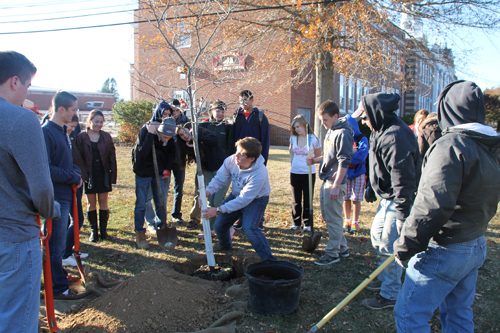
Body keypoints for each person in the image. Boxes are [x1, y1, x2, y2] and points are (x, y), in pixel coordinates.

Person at [393, 80, 500, 332]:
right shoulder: (489, 146)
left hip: (447, 249)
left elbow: (432, 204)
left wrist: (406, 245)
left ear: (447, 108)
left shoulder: (451, 145)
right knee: (458, 312)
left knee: (410, 315)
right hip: (474, 244)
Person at [0, 50, 59, 332]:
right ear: (14, 82)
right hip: (13, 239)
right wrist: (51, 210)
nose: (26, 92)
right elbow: (42, 189)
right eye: (27, 85)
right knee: (16, 321)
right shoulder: (20, 120)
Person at [355, 93, 420, 310]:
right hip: (387, 197)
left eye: (365, 118)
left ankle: (390, 294)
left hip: (400, 199)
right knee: (376, 237)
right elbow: (377, 163)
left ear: (376, 113)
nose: (363, 122)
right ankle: (385, 279)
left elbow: (404, 180)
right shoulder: (379, 130)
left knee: (390, 245)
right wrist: (372, 188)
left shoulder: (396, 137)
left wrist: (402, 215)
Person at [42, 90, 86, 300]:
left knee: (59, 244)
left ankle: (58, 276)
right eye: (73, 110)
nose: (75, 114)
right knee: (55, 244)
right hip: (55, 198)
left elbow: (64, 163)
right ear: (61, 110)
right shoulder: (47, 133)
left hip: (66, 194)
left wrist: (75, 172)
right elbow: (47, 168)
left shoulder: (62, 132)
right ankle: (56, 288)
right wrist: (71, 177)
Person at [202, 137, 275, 261]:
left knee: (250, 228)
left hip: (256, 200)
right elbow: (219, 179)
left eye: (241, 154)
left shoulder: (259, 173)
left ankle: (268, 260)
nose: (236, 155)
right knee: (219, 225)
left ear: (251, 158)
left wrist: (218, 210)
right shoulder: (231, 161)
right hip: (236, 195)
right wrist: (207, 192)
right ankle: (225, 245)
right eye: (237, 151)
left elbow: (244, 200)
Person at [307, 101, 353, 265]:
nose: (323, 124)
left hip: (335, 182)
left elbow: (343, 162)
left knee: (333, 218)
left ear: (335, 116)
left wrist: (335, 185)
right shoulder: (331, 131)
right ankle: (342, 248)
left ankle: (332, 253)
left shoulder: (343, 133)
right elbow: (329, 157)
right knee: (329, 216)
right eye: (321, 120)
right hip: (327, 179)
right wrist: (315, 160)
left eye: (325, 120)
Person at [132, 117, 176, 249]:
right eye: (164, 137)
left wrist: (167, 169)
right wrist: (150, 134)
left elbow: (171, 153)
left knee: (160, 201)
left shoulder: (169, 137)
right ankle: (140, 233)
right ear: (158, 130)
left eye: (169, 138)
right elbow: (142, 153)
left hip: (159, 173)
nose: (166, 140)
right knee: (141, 203)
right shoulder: (146, 132)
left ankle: (162, 227)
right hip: (143, 172)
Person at [175, 123, 226, 231]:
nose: (184, 136)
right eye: (181, 135)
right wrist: (193, 148)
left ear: (190, 129)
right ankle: (194, 218)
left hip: (218, 166)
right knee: (199, 193)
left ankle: (218, 221)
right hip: (203, 168)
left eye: (185, 132)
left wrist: (196, 138)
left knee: (216, 197)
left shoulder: (202, 132)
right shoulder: (185, 144)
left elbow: (214, 141)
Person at [232, 90, 270, 230]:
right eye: (241, 100)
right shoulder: (236, 116)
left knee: (257, 191)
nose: (243, 103)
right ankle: (242, 219)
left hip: (256, 159)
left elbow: (265, 140)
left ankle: (259, 219)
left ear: (252, 100)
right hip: (241, 160)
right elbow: (233, 139)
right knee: (241, 189)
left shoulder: (260, 117)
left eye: (246, 99)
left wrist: (263, 161)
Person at [77, 110, 117, 242]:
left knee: (103, 202)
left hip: (103, 172)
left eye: (101, 122)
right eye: (96, 122)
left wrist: (112, 175)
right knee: (91, 203)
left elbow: (112, 156)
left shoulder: (106, 136)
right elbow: (78, 158)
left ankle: (103, 231)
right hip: (89, 174)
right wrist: (82, 175)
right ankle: (94, 231)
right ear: (90, 121)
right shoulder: (82, 137)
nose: (98, 124)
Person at [198, 100, 233, 238]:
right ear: (211, 111)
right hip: (208, 168)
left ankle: (223, 228)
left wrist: (229, 166)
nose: (220, 114)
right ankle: (210, 228)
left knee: (218, 201)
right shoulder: (203, 125)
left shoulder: (227, 127)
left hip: (223, 169)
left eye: (223, 111)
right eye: (218, 110)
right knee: (210, 200)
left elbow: (231, 148)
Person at [62, 115, 89, 267]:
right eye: (71, 126)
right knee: (75, 219)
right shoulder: (53, 135)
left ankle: (70, 250)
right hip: (67, 184)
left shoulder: (69, 135)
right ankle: (64, 254)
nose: (73, 129)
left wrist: (79, 173)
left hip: (76, 180)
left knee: (77, 218)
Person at [289, 115, 321, 232]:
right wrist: (293, 162)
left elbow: (318, 156)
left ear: (305, 125)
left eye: (298, 126)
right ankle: (296, 222)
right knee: (296, 199)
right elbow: (291, 150)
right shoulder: (293, 138)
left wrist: (312, 160)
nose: (296, 129)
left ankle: (307, 223)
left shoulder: (313, 139)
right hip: (295, 172)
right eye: (294, 127)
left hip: (308, 173)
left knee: (307, 198)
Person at [145, 101, 173, 233]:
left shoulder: (169, 129)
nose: (165, 117)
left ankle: (161, 222)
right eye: (164, 114)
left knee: (161, 197)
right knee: (147, 197)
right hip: (149, 170)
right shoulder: (148, 128)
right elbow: (143, 149)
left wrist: (167, 169)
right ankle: (150, 221)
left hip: (163, 171)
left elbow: (172, 153)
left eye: (168, 114)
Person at [343, 113, 369, 234]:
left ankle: (355, 221)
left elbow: (362, 155)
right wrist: (351, 154)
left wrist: (348, 158)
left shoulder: (362, 139)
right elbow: (341, 154)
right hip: (346, 172)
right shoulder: (344, 138)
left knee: (356, 198)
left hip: (359, 172)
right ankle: (347, 220)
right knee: (346, 197)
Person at [170, 100, 189, 224]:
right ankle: (160, 215)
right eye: (173, 111)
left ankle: (176, 214)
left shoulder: (186, 121)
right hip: (166, 160)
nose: (176, 113)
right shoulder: (166, 121)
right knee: (162, 188)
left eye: (177, 110)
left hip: (180, 160)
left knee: (179, 188)